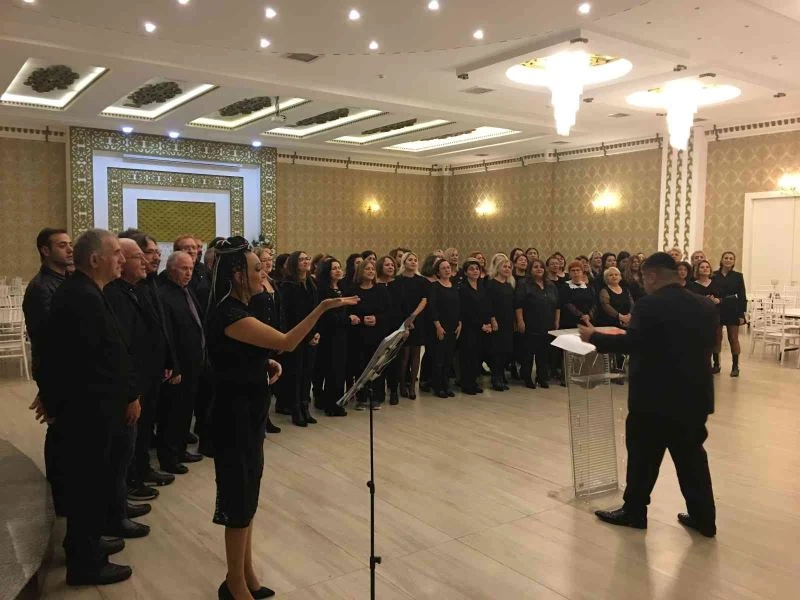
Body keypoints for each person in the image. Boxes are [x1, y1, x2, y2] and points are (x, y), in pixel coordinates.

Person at [204, 237, 356, 600]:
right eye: (257, 269)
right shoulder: (229, 313)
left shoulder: (244, 308)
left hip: (249, 410)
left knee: (248, 497)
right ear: (237, 275)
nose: (263, 274)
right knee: (238, 502)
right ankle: (234, 584)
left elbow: (245, 353)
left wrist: (263, 363)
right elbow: (286, 341)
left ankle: (246, 574)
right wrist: (322, 308)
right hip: (233, 417)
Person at [580, 252, 718, 538]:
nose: (643, 282)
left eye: (644, 277)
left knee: (642, 459)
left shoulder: (648, 305)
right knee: (692, 460)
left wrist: (594, 337)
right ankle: (704, 519)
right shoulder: (705, 305)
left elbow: (634, 343)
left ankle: (634, 512)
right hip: (694, 396)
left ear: (652, 276)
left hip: (654, 399)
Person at [38, 229, 135, 585]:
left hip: (91, 409)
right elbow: (88, 360)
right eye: (116, 253)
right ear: (95, 259)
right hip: (89, 412)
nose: (122, 259)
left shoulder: (86, 291)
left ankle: (86, 542)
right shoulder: (82, 297)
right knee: (88, 486)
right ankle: (85, 562)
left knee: (92, 483)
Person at [103, 238, 157, 538]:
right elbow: (122, 349)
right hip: (124, 387)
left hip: (138, 379)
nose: (144, 261)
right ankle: (115, 515)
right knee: (118, 454)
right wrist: (131, 393)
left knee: (127, 450)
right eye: (138, 256)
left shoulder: (132, 290)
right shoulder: (113, 294)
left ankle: (120, 504)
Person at [23, 227, 73, 517]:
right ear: (45, 250)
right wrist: (48, 389)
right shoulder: (42, 288)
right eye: (62, 245)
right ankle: (62, 502)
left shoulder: (64, 281)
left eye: (70, 244)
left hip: (67, 374)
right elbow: (47, 342)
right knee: (60, 436)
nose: (69, 249)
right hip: (58, 374)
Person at [158, 251, 206, 473]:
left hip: (193, 363)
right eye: (183, 268)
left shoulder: (186, 291)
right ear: (170, 269)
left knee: (185, 411)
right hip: (178, 366)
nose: (188, 273)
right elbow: (167, 335)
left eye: (191, 269)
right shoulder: (165, 295)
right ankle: (169, 457)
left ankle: (180, 450)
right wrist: (174, 366)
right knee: (172, 414)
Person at [279, 251, 320, 426]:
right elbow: (292, 314)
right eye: (301, 259)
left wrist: (316, 333)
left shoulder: (311, 283)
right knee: (295, 374)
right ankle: (296, 408)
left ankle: (305, 405)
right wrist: (307, 335)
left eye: (307, 259)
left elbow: (315, 311)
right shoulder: (288, 286)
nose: (305, 262)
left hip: (311, 335)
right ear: (294, 263)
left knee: (307, 373)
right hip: (296, 335)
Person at [349, 260, 391, 409]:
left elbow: (388, 312)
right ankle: (362, 397)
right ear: (360, 271)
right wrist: (361, 320)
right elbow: (349, 312)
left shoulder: (381, 290)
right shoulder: (353, 291)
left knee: (376, 366)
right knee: (360, 366)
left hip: (377, 334)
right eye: (367, 269)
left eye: (372, 269)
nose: (371, 271)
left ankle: (376, 397)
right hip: (359, 334)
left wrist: (377, 319)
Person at [249, 246, 282, 433]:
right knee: (262, 378)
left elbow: (279, 309)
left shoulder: (272, 282)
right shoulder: (254, 284)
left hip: (273, 334)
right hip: (260, 334)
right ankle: (260, 418)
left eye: (270, 259)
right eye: (265, 259)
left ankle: (265, 417)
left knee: (271, 378)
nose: (269, 262)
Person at [314, 257, 352, 416]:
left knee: (339, 369)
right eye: (334, 268)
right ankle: (331, 405)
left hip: (342, 334)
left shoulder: (342, 288)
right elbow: (327, 316)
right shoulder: (323, 290)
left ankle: (336, 401)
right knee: (331, 369)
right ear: (327, 272)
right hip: (329, 335)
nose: (338, 270)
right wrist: (348, 320)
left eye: (339, 267)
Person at [515, 259, 560, 388]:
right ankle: (527, 377)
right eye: (535, 267)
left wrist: (556, 321)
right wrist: (520, 321)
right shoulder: (524, 284)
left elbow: (557, 305)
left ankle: (542, 378)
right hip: (530, 323)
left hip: (547, 323)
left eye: (541, 267)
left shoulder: (550, 285)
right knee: (528, 352)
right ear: (530, 270)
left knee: (543, 353)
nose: (539, 269)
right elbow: (518, 304)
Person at [396, 252, 428, 400]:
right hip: (402, 320)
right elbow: (397, 301)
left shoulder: (421, 280)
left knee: (416, 355)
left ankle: (412, 386)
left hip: (418, 319)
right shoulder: (398, 280)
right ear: (404, 262)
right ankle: (402, 384)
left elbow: (424, 300)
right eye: (410, 260)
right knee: (404, 355)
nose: (413, 262)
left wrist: (413, 316)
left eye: (415, 260)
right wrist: (406, 320)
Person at [458, 259, 493, 394]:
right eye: (471, 269)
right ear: (466, 272)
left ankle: (473, 381)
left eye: (477, 269)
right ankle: (466, 384)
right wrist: (480, 325)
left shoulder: (482, 287)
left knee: (478, 355)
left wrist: (488, 323)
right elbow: (465, 311)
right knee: (468, 356)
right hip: (469, 327)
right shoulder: (463, 289)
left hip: (483, 327)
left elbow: (487, 306)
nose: (475, 271)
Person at [428, 258, 461, 398]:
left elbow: (459, 306)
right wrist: (438, 326)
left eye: (448, 267)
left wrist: (460, 323)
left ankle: (446, 385)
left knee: (448, 358)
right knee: (439, 358)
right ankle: (438, 387)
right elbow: (433, 307)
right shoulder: (434, 286)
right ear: (438, 272)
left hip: (453, 326)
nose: (447, 270)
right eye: (444, 268)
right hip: (440, 326)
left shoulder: (454, 286)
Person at [713, 251, 747, 377]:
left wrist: (742, 314)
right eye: (726, 258)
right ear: (721, 260)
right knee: (716, 338)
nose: (728, 260)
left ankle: (735, 366)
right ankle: (716, 364)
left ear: (734, 262)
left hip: (733, 309)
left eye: (731, 258)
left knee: (733, 338)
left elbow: (742, 296)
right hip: (717, 309)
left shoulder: (738, 276)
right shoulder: (713, 275)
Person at [485, 254, 514, 391]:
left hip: (508, 321)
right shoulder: (491, 284)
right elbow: (488, 304)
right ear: (498, 268)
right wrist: (493, 319)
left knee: (505, 350)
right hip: (497, 321)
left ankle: (501, 375)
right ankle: (496, 378)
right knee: (496, 351)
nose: (507, 269)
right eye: (504, 266)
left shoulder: (509, 285)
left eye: (509, 267)